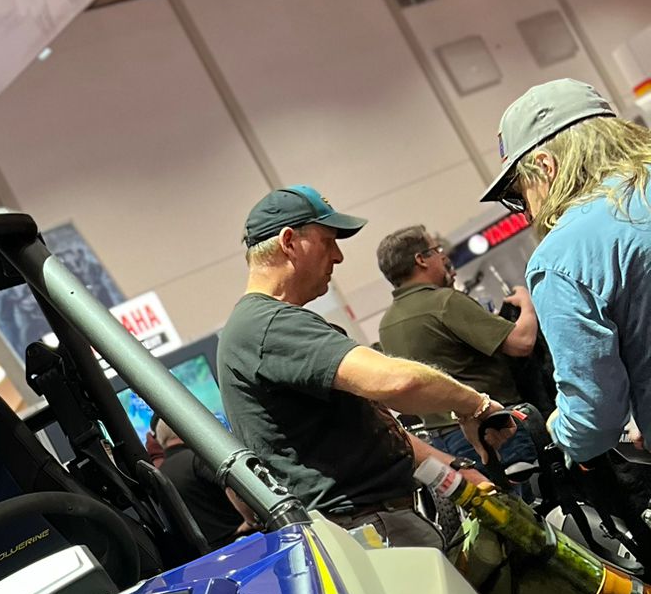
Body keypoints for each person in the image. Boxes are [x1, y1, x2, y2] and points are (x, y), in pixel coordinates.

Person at [217, 186, 508, 547]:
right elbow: (396, 381)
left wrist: (457, 476)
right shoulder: (268, 326)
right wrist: (476, 406)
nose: (338, 256)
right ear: (289, 242)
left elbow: (374, 432)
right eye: (328, 242)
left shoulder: (266, 325)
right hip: (366, 529)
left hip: (376, 521)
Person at [485, 79, 651, 466]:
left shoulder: (561, 256)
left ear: (546, 167)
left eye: (520, 191)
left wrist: (561, 428)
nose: (527, 208)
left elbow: (595, 416)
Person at [375, 226, 539, 468]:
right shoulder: (444, 302)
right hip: (491, 430)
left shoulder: (387, 324)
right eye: (436, 250)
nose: (443, 256)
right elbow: (521, 342)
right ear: (421, 259)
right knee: (532, 488)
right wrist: (527, 302)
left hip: (441, 442)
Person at [152, 420, 243, 550]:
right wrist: (251, 520)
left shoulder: (159, 474)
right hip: (240, 540)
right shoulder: (198, 459)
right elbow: (234, 487)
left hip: (201, 553)